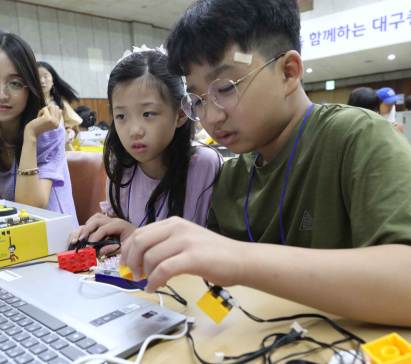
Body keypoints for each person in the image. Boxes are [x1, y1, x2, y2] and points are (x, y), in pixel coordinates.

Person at [120, 0, 411, 326]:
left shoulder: (358, 138)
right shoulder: (232, 176)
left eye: (227, 88)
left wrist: (240, 259)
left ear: (289, 72)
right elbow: (218, 295)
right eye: (198, 100)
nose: (211, 117)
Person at [69, 48, 221, 256]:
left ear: (180, 114)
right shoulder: (121, 166)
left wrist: (137, 237)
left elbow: (216, 249)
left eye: (148, 113)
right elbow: (119, 228)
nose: (134, 131)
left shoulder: (204, 164)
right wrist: (103, 235)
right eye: (121, 116)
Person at [0, 30, 78, 226]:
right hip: (11, 242)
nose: (2, 95)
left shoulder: (47, 131)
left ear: (29, 87)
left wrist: (31, 135)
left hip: (58, 243)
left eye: (14, 83)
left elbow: (33, 207)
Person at [38, 61, 82, 150]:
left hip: (61, 151)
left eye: (46, 76)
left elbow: (69, 126)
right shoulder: (26, 104)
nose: (42, 81)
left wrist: (71, 132)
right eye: (37, 77)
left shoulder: (60, 103)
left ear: (52, 79)